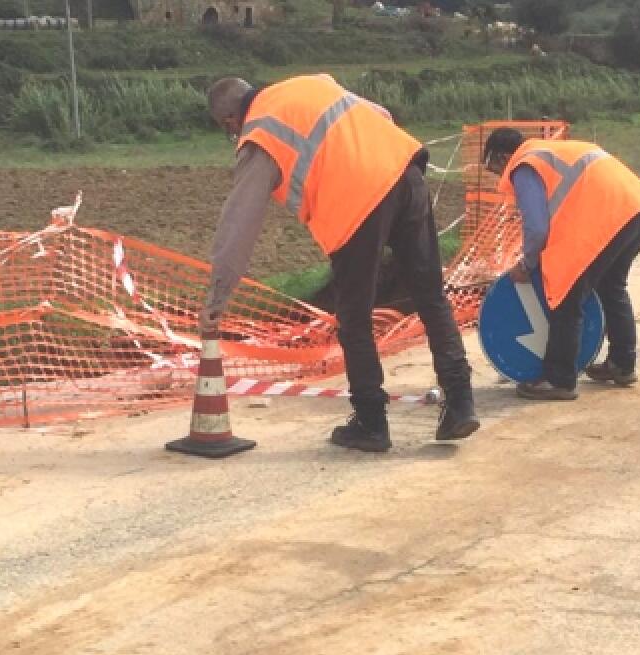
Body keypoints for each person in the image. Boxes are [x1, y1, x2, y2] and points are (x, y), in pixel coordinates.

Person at [204, 74, 479, 452]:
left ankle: (371, 421)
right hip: (405, 172)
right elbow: (379, 113)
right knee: (431, 297)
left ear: (229, 122)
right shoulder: (309, 84)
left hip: (356, 206)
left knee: (355, 318)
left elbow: (239, 223)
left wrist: (216, 299)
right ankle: (461, 404)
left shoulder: (258, 135)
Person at [481, 127, 640, 400]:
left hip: (606, 220)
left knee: (566, 297)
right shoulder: (553, 150)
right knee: (612, 288)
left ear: (503, 156)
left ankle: (559, 380)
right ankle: (622, 365)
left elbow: (537, 227)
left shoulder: (524, 164)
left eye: (494, 165)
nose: (498, 174)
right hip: (637, 209)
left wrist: (528, 264)